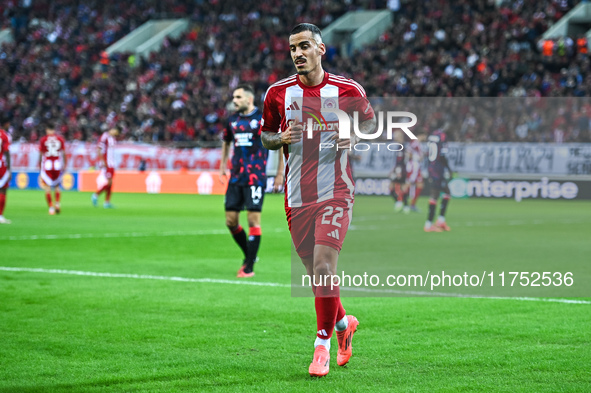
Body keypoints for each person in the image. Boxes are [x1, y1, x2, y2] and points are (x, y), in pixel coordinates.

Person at [260, 23, 376, 377]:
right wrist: (280, 137)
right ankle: (344, 327)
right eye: (293, 48)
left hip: (336, 192)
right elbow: (264, 136)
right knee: (317, 277)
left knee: (325, 268)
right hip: (296, 197)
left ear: (320, 50)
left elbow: (371, 124)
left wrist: (354, 136)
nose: (297, 53)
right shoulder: (277, 94)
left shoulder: (347, 89)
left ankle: (321, 345)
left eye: (304, 46)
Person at [219, 84, 280, 278]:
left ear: (249, 99)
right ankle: (250, 256)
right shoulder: (232, 120)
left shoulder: (262, 119)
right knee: (230, 221)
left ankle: (249, 268)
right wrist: (222, 166)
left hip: (255, 177)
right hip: (236, 177)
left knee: (253, 219)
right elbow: (226, 142)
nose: (234, 101)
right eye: (234, 97)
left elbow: (277, 144)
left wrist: (279, 174)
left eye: (238, 97)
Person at [424, 128, 452, 232]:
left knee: (446, 191)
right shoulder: (443, 136)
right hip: (438, 169)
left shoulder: (433, 134)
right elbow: (442, 155)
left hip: (432, 167)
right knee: (435, 194)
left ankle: (440, 220)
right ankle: (429, 224)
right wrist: (449, 169)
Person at [38, 122, 67, 215]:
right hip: (57, 165)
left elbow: (41, 153)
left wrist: (39, 164)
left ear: (47, 130)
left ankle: (51, 207)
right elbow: (63, 153)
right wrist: (65, 164)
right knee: (57, 186)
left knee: (47, 187)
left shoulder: (43, 139)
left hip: (47, 165)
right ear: (54, 130)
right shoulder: (60, 139)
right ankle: (57, 203)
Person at [92, 127, 119, 208]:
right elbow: (99, 149)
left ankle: (106, 202)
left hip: (111, 163)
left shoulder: (113, 139)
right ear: (112, 129)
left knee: (110, 183)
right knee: (109, 182)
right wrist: (102, 161)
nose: (116, 134)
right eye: (115, 131)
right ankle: (96, 195)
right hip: (106, 163)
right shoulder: (105, 136)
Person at [405, 138, 425, 212]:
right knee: (409, 184)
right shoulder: (414, 143)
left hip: (417, 166)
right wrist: (415, 158)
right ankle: (402, 202)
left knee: (419, 185)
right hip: (414, 166)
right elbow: (408, 152)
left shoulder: (418, 143)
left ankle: (411, 204)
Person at [0, 126, 11, 224]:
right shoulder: (4, 135)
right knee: (3, 190)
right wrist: (10, 169)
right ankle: (0, 216)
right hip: (1, 165)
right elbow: (6, 152)